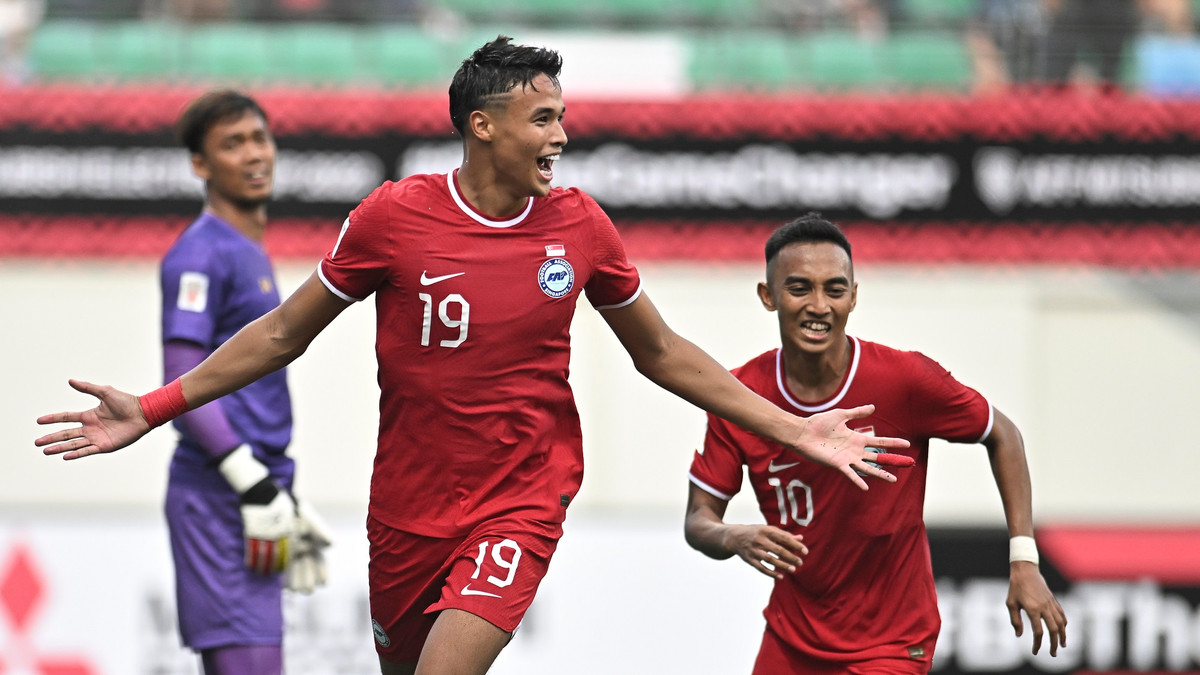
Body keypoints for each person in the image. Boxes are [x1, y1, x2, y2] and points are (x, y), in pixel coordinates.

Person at [35, 37, 914, 675]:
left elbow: (663, 352)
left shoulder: (580, 226)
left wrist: (792, 428)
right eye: (544, 119)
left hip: (520, 499)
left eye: (562, 117)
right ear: (483, 126)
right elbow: (281, 333)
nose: (561, 136)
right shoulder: (392, 218)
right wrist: (153, 407)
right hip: (407, 511)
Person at [683, 213, 1068, 673]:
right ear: (769, 296)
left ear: (853, 296)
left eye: (834, 290)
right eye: (800, 288)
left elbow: (1002, 433)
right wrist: (732, 536)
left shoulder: (905, 380)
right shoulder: (741, 398)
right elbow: (698, 519)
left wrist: (1024, 560)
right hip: (791, 636)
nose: (819, 306)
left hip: (891, 642)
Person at [160, 89, 331, 675]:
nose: (254, 154)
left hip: (257, 491)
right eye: (232, 144)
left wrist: (276, 490)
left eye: (259, 137)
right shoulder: (200, 254)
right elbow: (178, 383)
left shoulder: (246, 249)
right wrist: (250, 482)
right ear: (200, 164)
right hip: (219, 497)